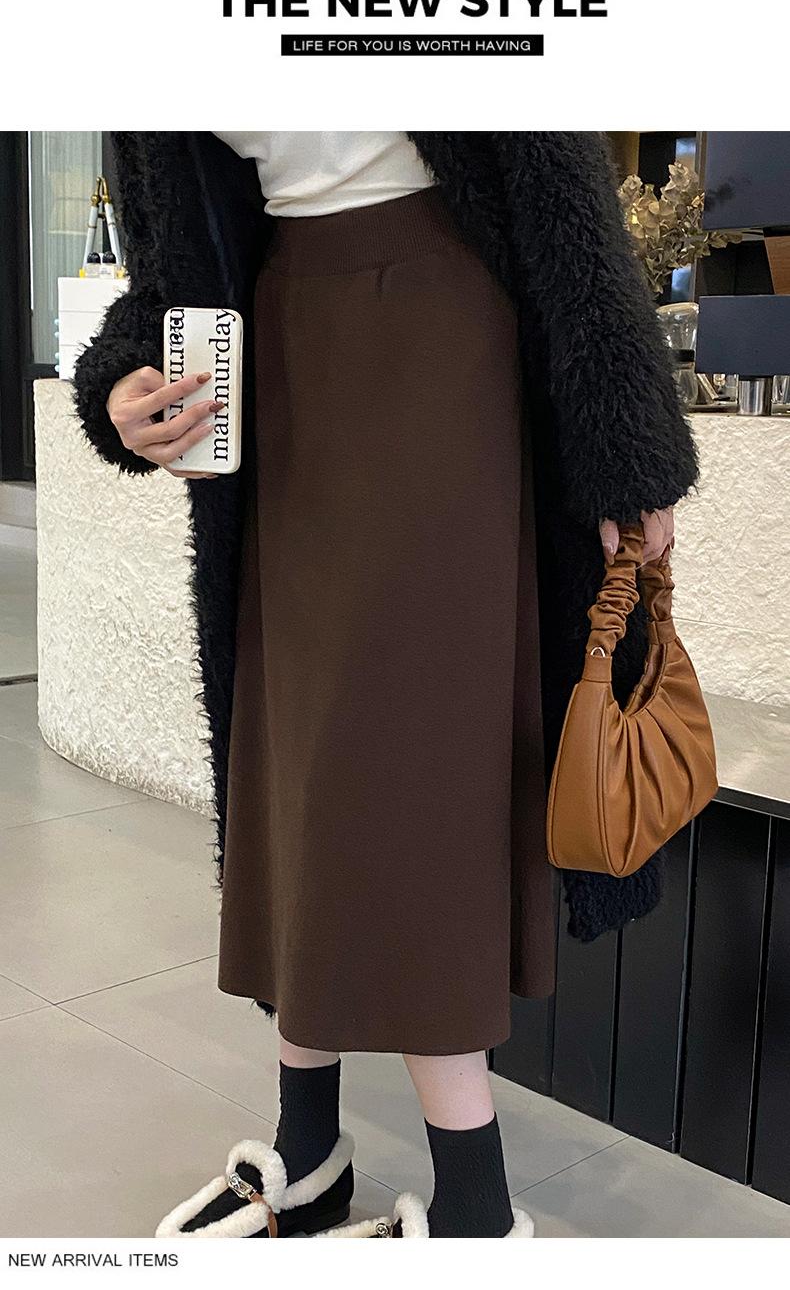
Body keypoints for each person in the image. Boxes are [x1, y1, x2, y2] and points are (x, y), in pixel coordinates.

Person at [73, 132, 697, 1239]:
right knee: (290, 750)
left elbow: (561, 191)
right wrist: (122, 378)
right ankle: (308, 1149)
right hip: (275, 344)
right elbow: (171, 257)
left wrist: (627, 451)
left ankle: (476, 1208)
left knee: (415, 762)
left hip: (440, 326)